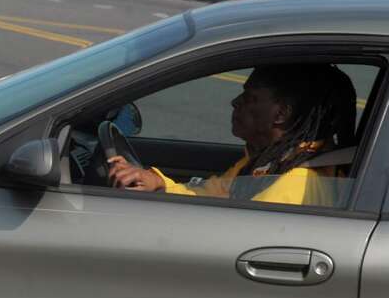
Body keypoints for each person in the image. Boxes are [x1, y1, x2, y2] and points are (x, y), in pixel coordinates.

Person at [107, 63, 358, 207]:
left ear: (280, 114)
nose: (235, 102)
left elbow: (232, 236)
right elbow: (216, 192)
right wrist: (158, 183)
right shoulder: (271, 162)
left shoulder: (292, 183)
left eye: (250, 98)